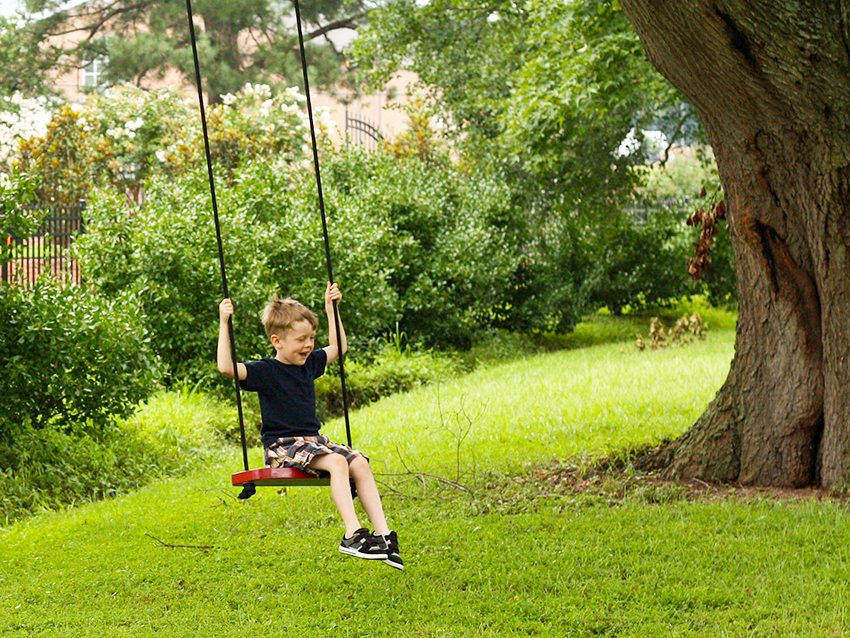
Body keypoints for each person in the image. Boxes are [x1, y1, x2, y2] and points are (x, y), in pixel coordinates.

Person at [217, 282, 403, 570]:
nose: (308, 345)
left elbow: (340, 346)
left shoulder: (309, 364)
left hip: (314, 442)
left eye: (312, 338)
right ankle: (352, 534)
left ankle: (384, 535)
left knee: (360, 463)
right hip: (284, 446)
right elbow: (226, 367)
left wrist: (332, 308)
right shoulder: (266, 371)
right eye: (301, 339)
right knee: (339, 463)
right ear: (277, 341)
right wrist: (224, 321)